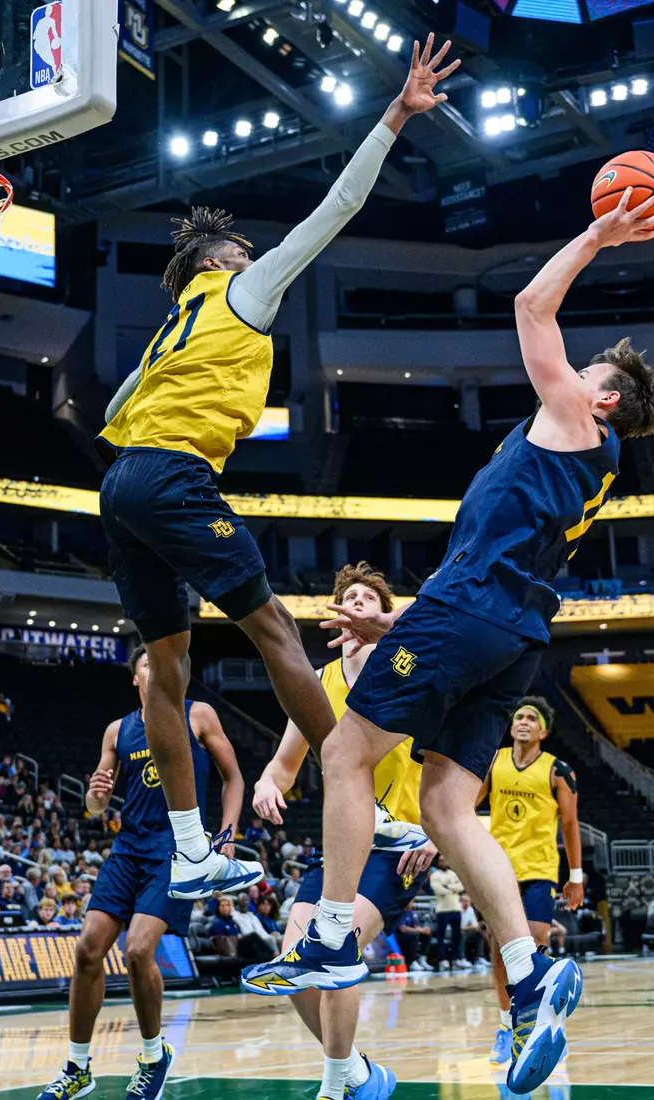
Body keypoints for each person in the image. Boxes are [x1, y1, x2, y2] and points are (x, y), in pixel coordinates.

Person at [253, 188, 654, 1095]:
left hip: (474, 613)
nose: (571, 367)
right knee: (447, 807)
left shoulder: (573, 416)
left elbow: (529, 305)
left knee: (345, 749)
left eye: (585, 366)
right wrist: (394, 621)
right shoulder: (594, 465)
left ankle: (328, 930)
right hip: (511, 635)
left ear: (601, 396)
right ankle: (526, 979)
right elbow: (490, 578)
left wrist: (599, 231)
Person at [95, 32, 461, 905]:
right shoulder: (238, 292)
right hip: (176, 477)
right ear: (219, 263)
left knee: (169, 667)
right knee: (277, 636)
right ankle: (356, 785)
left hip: (122, 483)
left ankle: (189, 849)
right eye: (244, 253)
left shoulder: (169, 326)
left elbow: (111, 414)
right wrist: (392, 117)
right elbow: (333, 208)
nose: (258, 260)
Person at [242, 563, 435, 1100]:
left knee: (339, 947)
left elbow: (460, 754)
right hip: (341, 844)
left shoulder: (410, 666)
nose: (354, 603)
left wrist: (438, 831)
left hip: (400, 847)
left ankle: (333, 1087)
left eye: (367, 599)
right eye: (346, 597)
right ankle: (356, 1074)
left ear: (381, 614)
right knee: (295, 962)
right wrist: (266, 782)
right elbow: (286, 761)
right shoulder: (321, 683)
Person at [36, 650, 247, 1100]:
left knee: (137, 949)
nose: (156, 667)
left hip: (175, 855)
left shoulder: (198, 715)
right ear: (135, 678)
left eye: (162, 661)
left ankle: (154, 1056)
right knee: (89, 949)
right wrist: (97, 796)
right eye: (147, 662)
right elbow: (95, 807)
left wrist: (227, 835)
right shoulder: (118, 730)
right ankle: (77, 1068)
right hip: (128, 848)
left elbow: (234, 778)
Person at [395, 900, 433, 972]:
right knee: (413, 936)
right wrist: (420, 930)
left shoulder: (409, 911)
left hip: (408, 934)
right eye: (410, 902)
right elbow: (402, 929)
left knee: (427, 934)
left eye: (412, 902)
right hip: (398, 936)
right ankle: (411, 962)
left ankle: (422, 959)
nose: (412, 904)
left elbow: (413, 925)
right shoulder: (399, 912)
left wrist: (423, 930)